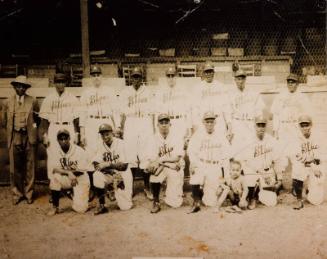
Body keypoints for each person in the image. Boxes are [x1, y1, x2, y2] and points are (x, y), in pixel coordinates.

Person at [233, 115, 285, 209]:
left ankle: (262, 190)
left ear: (266, 126)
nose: (261, 128)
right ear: (254, 126)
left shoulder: (271, 140)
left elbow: (278, 159)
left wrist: (280, 179)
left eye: (263, 125)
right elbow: (245, 161)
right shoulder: (248, 140)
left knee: (271, 202)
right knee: (250, 176)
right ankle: (253, 197)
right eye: (258, 125)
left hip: (267, 172)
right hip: (254, 171)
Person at [1, 75, 39, 205]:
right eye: (18, 86)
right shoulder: (7, 102)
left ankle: (29, 193)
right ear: (14, 87)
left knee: (30, 166)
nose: (20, 88)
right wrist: (13, 131)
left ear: (26, 88)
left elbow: (36, 121)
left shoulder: (32, 101)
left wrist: (32, 132)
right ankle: (17, 193)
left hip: (29, 136)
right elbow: (4, 121)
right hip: (15, 136)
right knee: (15, 167)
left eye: (23, 86)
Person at [119, 66, 155, 200]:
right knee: (131, 156)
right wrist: (120, 128)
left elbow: (152, 112)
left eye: (138, 76)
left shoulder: (148, 91)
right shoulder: (125, 92)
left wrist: (152, 129)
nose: (136, 79)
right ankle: (130, 187)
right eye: (134, 76)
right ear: (130, 78)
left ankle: (147, 187)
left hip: (144, 121)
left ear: (142, 78)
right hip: (131, 122)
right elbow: (121, 113)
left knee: (145, 155)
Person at [187, 111, 231, 213]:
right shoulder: (198, 135)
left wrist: (225, 176)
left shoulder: (221, 136)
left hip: (215, 167)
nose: (210, 124)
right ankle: (196, 201)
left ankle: (202, 192)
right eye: (207, 122)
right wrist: (193, 162)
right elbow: (191, 151)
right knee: (195, 173)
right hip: (202, 164)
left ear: (215, 122)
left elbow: (226, 156)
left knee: (210, 202)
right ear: (203, 122)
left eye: (212, 121)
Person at [39, 72, 80, 179]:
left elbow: (76, 118)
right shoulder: (48, 99)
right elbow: (44, 120)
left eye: (62, 82)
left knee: (70, 154)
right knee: (53, 154)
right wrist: (45, 135)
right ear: (54, 83)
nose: (60, 84)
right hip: (54, 127)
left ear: (66, 83)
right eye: (58, 82)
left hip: (68, 127)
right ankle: (54, 183)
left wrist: (76, 133)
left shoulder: (72, 98)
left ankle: (70, 183)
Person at [145, 114, 185, 213]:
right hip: (163, 166)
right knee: (154, 175)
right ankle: (156, 201)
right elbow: (152, 160)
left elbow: (176, 158)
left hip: (174, 167)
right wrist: (159, 162)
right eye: (161, 123)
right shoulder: (152, 139)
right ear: (157, 125)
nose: (164, 125)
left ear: (170, 124)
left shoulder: (177, 137)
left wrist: (161, 160)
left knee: (175, 203)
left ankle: (172, 193)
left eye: (166, 122)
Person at [283, 115, 325, 210]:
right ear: (299, 126)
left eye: (307, 125)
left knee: (316, 201)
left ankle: (309, 189)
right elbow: (295, 157)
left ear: (311, 125)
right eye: (302, 125)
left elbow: (324, 155)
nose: (305, 128)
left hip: (316, 164)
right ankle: (299, 198)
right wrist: (310, 162)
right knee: (297, 168)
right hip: (303, 164)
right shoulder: (295, 138)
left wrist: (315, 165)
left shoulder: (319, 136)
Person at [47, 129, 90, 216]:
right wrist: (69, 173)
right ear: (57, 140)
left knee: (81, 209)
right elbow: (54, 169)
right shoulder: (54, 151)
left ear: (69, 138)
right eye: (61, 139)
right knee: (55, 178)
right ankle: (55, 207)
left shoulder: (79, 150)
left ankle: (76, 195)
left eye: (65, 138)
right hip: (67, 178)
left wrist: (70, 173)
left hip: (80, 178)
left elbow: (82, 170)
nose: (63, 141)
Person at [92, 124, 132, 215]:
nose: (105, 136)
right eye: (102, 134)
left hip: (123, 174)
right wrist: (112, 171)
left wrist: (108, 164)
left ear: (112, 133)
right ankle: (102, 205)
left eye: (107, 134)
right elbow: (96, 165)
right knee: (96, 175)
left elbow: (124, 166)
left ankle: (117, 192)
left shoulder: (122, 143)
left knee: (125, 207)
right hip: (110, 174)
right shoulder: (99, 145)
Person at [80, 64, 117, 156]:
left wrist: (117, 127)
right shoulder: (86, 93)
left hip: (106, 120)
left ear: (101, 76)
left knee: (107, 150)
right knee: (91, 150)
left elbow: (115, 110)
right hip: (91, 122)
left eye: (98, 75)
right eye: (94, 75)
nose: (96, 78)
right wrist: (82, 133)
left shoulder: (110, 91)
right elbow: (82, 114)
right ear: (91, 78)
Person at [192, 62, 231, 139]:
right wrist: (195, 124)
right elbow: (195, 108)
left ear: (213, 72)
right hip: (204, 122)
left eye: (210, 71)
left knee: (219, 144)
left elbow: (226, 107)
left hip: (218, 120)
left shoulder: (221, 87)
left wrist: (229, 124)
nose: (208, 74)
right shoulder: (197, 88)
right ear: (203, 73)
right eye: (206, 72)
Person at [271, 73, 313, 144]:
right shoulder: (280, 96)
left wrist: (308, 129)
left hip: (297, 127)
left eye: (293, 82)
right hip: (283, 127)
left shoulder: (302, 97)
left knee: (298, 149)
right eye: (288, 82)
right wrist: (275, 130)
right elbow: (276, 114)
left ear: (297, 84)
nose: (290, 84)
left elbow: (309, 114)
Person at [227, 69, 265, 145]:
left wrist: (258, 127)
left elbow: (259, 112)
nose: (240, 81)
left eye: (242, 79)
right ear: (235, 80)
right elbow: (228, 113)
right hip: (237, 123)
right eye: (238, 79)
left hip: (250, 123)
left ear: (245, 79)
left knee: (250, 147)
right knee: (237, 148)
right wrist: (229, 129)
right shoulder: (230, 94)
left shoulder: (253, 93)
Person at [155, 67, 192, 142]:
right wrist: (157, 128)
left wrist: (189, 127)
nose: (171, 78)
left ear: (176, 77)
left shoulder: (183, 91)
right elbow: (157, 111)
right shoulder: (161, 92)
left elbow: (188, 111)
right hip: (167, 123)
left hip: (180, 121)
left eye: (173, 76)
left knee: (180, 147)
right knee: (169, 147)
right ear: (166, 78)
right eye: (168, 76)